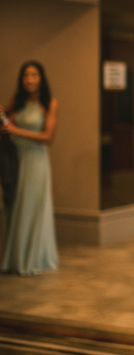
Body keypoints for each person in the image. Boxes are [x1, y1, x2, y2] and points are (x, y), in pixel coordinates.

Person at [0, 61, 59, 275]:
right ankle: (13, 260)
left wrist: (16, 130)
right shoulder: (18, 101)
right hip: (16, 159)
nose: (30, 79)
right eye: (26, 76)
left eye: (34, 75)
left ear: (41, 78)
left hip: (36, 161)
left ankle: (33, 259)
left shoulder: (49, 103)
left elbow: (48, 137)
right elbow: (3, 119)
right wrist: (6, 122)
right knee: (14, 206)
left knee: (31, 207)